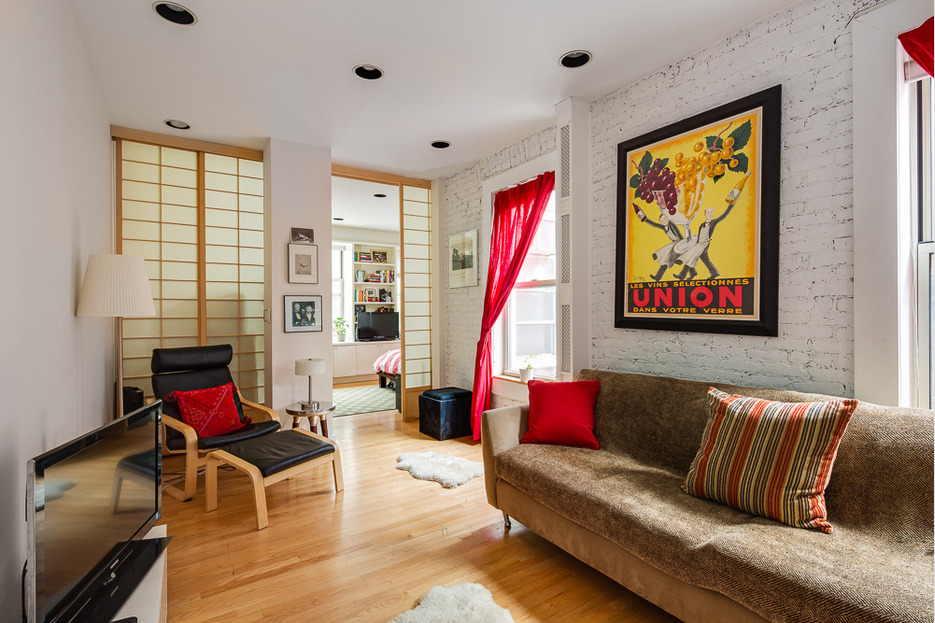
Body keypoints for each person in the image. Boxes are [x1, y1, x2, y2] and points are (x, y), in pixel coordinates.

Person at [675, 202, 735, 280]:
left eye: (711, 212)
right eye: (708, 212)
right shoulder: (701, 225)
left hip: (704, 245)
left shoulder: (713, 222)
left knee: (691, 255)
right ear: (705, 214)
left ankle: (682, 272)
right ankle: (713, 273)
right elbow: (700, 236)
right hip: (699, 244)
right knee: (705, 260)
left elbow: (724, 215)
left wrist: (731, 205)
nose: (710, 214)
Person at [634, 204, 686, 282]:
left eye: (665, 219)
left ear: (667, 218)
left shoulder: (672, 225)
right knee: (665, 260)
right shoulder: (664, 227)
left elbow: (679, 235)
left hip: (679, 244)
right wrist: (644, 219)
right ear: (661, 223)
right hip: (674, 246)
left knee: (669, 252)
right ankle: (658, 277)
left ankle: (657, 254)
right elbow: (654, 224)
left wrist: (683, 246)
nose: (664, 221)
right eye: (662, 221)